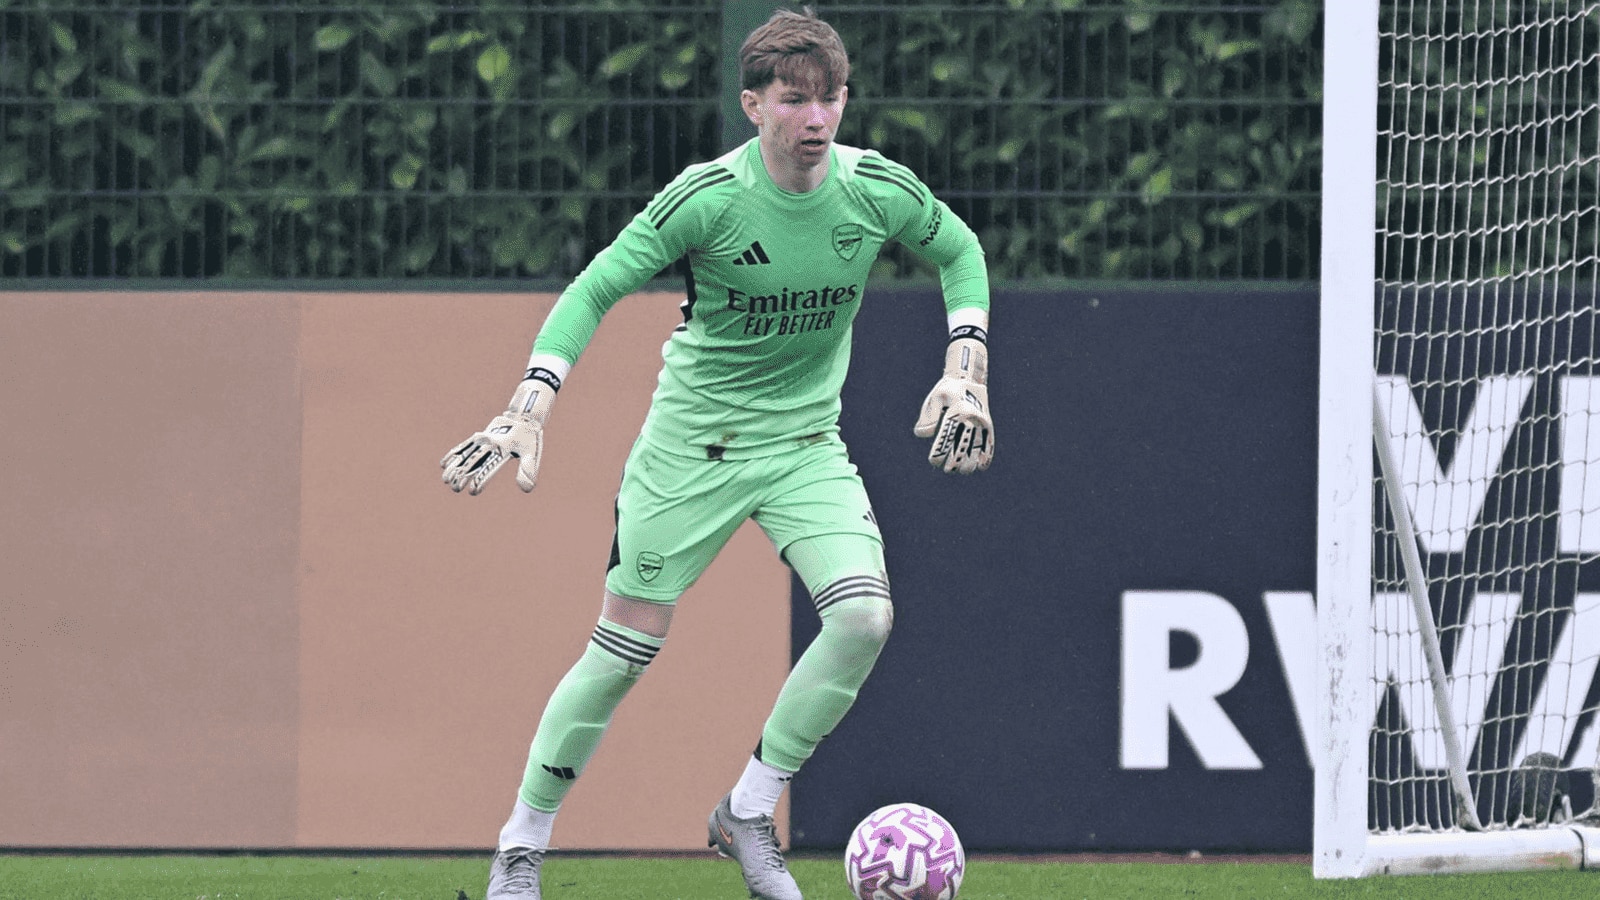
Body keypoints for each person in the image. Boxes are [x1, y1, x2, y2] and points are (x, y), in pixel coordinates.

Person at [440, 7, 993, 898]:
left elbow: (959, 251)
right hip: (690, 451)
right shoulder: (709, 199)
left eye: (831, 98)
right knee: (620, 655)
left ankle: (748, 810)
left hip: (804, 446)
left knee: (864, 619)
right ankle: (521, 848)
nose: (815, 118)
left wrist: (966, 362)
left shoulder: (875, 189)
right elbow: (597, 286)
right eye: (794, 99)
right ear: (753, 104)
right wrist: (529, 402)